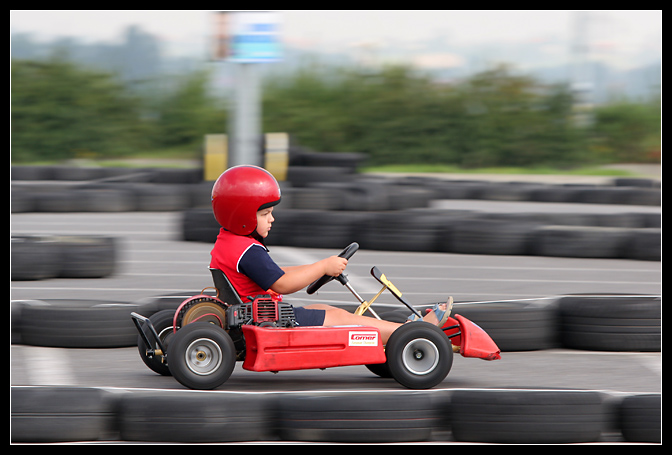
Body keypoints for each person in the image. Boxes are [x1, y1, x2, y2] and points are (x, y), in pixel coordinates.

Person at [209, 165, 451, 344]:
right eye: (265, 214)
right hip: (264, 322)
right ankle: (412, 333)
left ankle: (399, 333)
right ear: (242, 215)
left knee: (324, 308)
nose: (272, 219)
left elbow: (275, 274)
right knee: (339, 317)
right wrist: (324, 267)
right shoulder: (248, 250)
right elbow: (282, 283)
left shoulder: (230, 242)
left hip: (255, 314)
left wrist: (317, 267)